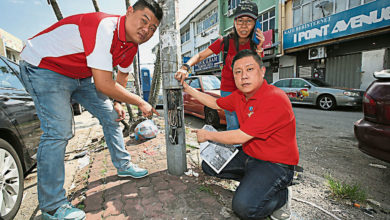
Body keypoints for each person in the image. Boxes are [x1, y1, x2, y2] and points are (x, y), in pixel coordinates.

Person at [18, 0, 162, 219]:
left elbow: (121, 76)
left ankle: (123, 165)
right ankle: (52, 206)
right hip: (43, 66)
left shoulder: (131, 44)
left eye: (153, 28)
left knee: (112, 116)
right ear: (129, 11)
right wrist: (140, 102)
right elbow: (104, 84)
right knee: (58, 131)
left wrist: (118, 103)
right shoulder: (104, 27)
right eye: (144, 21)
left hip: (81, 75)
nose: (146, 30)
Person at [175, 49, 299, 220]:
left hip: (276, 165)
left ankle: (281, 196)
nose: (244, 76)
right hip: (250, 155)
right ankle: (255, 183)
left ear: (262, 72)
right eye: (238, 72)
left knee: (243, 208)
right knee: (209, 166)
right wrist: (187, 88)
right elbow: (215, 102)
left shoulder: (274, 98)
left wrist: (208, 135)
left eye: (249, 69)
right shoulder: (240, 95)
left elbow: (241, 136)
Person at [176, 0, 265, 131]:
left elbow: (257, 72)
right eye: (240, 20)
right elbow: (200, 56)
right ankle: (235, 149)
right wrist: (185, 67)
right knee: (233, 124)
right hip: (228, 89)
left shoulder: (255, 45)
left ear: (256, 24)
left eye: (249, 21)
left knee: (250, 123)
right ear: (234, 22)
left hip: (247, 89)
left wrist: (259, 47)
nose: (244, 26)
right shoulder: (225, 42)